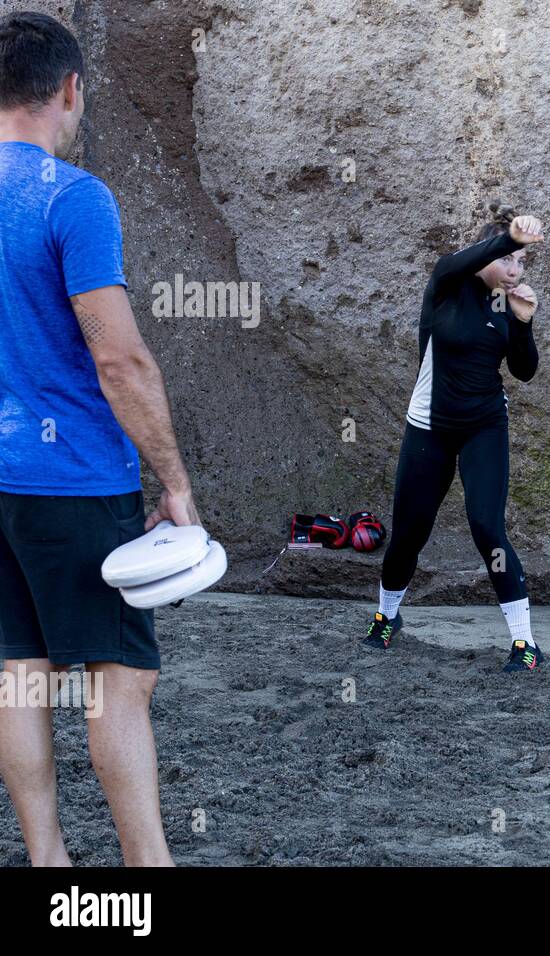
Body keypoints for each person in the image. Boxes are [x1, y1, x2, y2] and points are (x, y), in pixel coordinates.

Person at [0, 12, 201, 865]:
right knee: (120, 684)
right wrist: (176, 482)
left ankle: (47, 866)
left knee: (18, 674)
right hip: (73, 479)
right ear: (72, 90)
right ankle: (146, 877)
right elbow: (119, 359)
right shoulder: (73, 197)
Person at [364, 201, 545, 673]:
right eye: (507, 259)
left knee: (488, 528)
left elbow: (524, 371)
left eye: (522, 262)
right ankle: (387, 616)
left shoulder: (506, 305)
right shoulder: (446, 284)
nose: (514, 269)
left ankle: (524, 644)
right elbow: (462, 259)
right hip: (429, 426)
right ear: (484, 255)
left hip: (484, 428)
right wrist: (513, 237)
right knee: (409, 532)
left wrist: (524, 323)